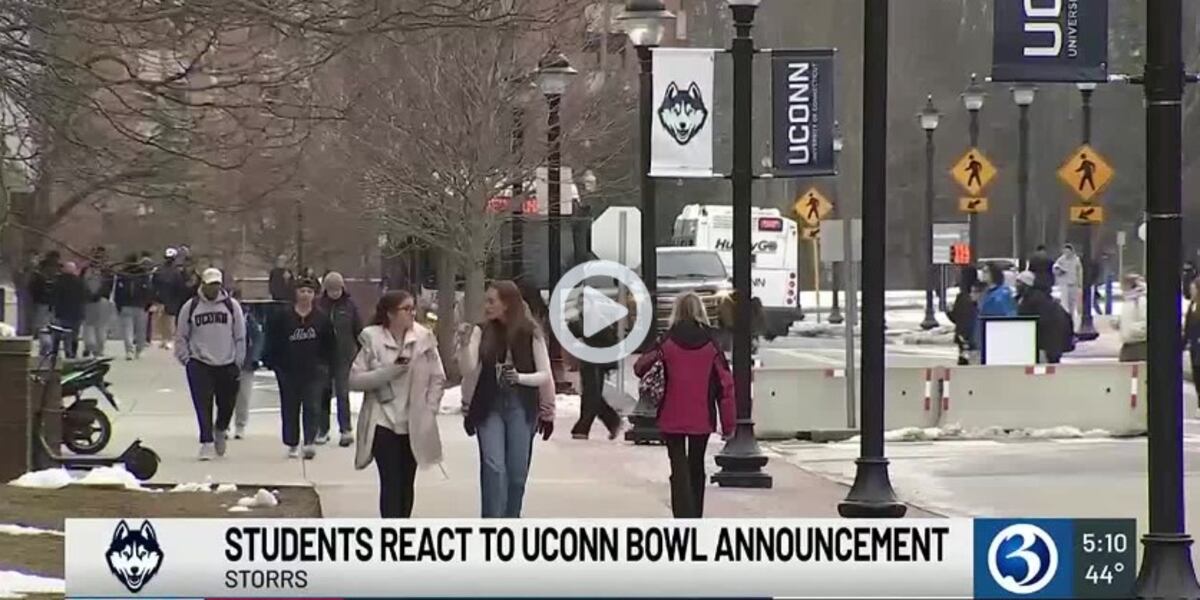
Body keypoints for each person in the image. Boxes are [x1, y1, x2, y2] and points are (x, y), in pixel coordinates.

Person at [458, 280, 555, 518]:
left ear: (508, 304)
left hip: (520, 406)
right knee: (494, 468)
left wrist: (545, 407)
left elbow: (545, 375)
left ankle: (511, 522)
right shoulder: (481, 331)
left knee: (517, 473)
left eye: (492, 301)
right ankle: (491, 528)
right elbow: (469, 368)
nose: (487, 306)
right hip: (489, 405)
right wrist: (463, 344)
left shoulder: (531, 333)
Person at [633, 292, 734, 518]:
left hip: (671, 415)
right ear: (701, 311)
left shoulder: (667, 341)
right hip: (702, 416)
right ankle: (695, 516)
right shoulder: (711, 343)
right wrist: (728, 425)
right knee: (696, 466)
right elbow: (726, 386)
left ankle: (682, 516)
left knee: (678, 467)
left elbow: (640, 367)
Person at [349, 290, 445, 518]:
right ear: (391, 314)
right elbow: (354, 380)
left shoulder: (424, 339)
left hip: (412, 422)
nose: (412, 313)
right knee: (390, 483)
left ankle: (403, 531)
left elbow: (438, 377)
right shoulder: (373, 340)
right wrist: (388, 372)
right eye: (407, 309)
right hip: (383, 421)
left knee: (406, 484)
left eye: (414, 308)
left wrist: (430, 409)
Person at [174, 268, 246, 461]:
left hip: (227, 362)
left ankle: (220, 429)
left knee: (227, 404)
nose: (213, 289)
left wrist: (239, 360)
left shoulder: (232, 307)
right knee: (202, 404)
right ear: (203, 285)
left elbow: (240, 336)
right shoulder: (191, 307)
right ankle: (206, 441)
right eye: (210, 285)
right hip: (200, 362)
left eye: (217, 285)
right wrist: (185, 358)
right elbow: (181, 335)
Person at [264, 277, 336, 460]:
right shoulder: (283, 316)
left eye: (309, 292)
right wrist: (273, 362)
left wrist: (327, 366)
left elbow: (330, 344)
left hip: (314, 370)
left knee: (312, 405)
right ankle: (292, 443)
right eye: (302, 291)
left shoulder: (321, 318)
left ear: (314, 295)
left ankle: (310, 441)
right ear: (296, 293)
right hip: (288, 369)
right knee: (290, 407)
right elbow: (272, 340)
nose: (305, 295)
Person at [317, 272, 363, 447]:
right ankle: (323, 429)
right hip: (323, 356)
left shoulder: (350, 306)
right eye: (331, 290)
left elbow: (358, 329)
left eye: (337, 289)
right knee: (323, 393)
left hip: (344, 356)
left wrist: (361, 350)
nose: (334, 293)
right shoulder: (320, 306)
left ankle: (345, 429)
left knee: (343, 393)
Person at [567, 305, 622, 441]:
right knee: (591, 394)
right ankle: (608, 422)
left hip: (594, 362)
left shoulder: (594, 322)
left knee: (591, 394)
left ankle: (585, 427)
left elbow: (577, 330)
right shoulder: (600, 321)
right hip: (593, 361)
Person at [230, 288, 265, 440]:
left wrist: (255, 357)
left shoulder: (247, 318)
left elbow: (258, 338)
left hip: (246, 362)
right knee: (224, 397)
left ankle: (240, 425)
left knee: (243, 396)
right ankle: (222, 425)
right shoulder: (224, 316)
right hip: (225, 361)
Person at [1015, 271, 1067, 364]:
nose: (1016, 285)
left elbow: (1028, 318)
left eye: (1019, 282)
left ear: (1026, 284)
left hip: (1046, 340)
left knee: (1044, 368)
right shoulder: (1035, 297)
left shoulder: (1033, 299)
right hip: (1049, 338)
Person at [114, 253, 154, 360]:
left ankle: (129, 351)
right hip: (140, 305)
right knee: (140, 330)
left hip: (127, 304)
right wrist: (148, 303)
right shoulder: (143, 274)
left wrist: (118, 304)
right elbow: (149, 290)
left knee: (128, 330)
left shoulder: (122, 274)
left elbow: (118, 291)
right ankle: (139, 350)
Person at [80, 246, 116, 357]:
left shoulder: (105, 270)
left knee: (93, 326)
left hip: (97, 300)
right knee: (95, 326)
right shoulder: (106, 270)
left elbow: (108, 285)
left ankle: (94, 347)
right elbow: (81, 284)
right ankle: (93, 347)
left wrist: (94, 295)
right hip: (93, 300)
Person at [151, 248, 186, 349]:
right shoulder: (159, 270)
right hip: (160, 299)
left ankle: (169, 339)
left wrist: (177, 299)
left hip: (172, 299)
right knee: (161, 321)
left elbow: (179, 287)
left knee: (169, 321)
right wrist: (155, 297)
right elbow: (154, 284)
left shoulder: (176, 272)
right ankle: (163, 339)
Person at [52, 261, 87, 359]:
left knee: (58, 334)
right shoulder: (80, 282)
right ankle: (72, 354)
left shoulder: (58, 282)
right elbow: (85, 296)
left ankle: (55, 353)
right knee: (73, 334)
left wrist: (53, 309)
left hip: (61, 312)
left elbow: (54, 296)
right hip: (77, 313)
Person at [946, 267, 980, 366]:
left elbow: (956, 318)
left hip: (964, 336)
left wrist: (948, 311)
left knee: (965, 364)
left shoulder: (962, 297)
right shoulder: (980, 293)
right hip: (973, 336)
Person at [28, 251, 60, 353]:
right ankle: (51, 347)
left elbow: (32, 288)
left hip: (41, 302)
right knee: (52, 325)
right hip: (54, 303)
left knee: (42, 325)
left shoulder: (40, 272)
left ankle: (46, 346)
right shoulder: (58, 272)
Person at [1115, 273, 1148, 362]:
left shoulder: (1141, 300)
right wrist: (1119, 323)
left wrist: (1132, 329)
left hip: (1139, 345)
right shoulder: (1128, 300)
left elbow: (1145, 322)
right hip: (1127, 344)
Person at [1053, 244, 1083, 322]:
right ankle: (1065, 320)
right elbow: (1055, 270)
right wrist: (1059, 271)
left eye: (1068, 251)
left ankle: (1071, 319)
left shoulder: (1076, 260)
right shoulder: (1060, 260)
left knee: (1072, 304)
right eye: (1065, 251)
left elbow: (1079, 271)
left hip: (1073, 284)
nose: (1067, 252)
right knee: (1064, 304)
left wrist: (1080, 283)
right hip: (1064, 284)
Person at [1185, 280, 1200, 404]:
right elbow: (1188, 327)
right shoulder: (1192, 305)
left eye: (1193, 289)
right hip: (1194, 348)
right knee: (1196, 374)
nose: (1191, 291)